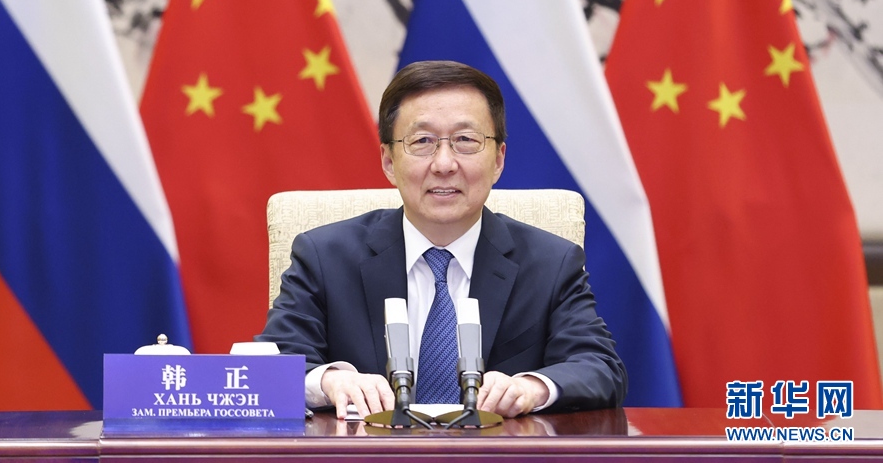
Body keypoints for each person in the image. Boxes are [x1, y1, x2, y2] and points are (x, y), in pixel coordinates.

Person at [257, 60, 626, 418]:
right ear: (388, 161)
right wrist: (329, 381)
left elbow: (600, 367)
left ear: (498, 160)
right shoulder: (325, 256)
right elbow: (268, 368)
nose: (444, 164)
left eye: (465, 140)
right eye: (422, 141)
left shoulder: (550, 263)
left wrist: (531, 388)